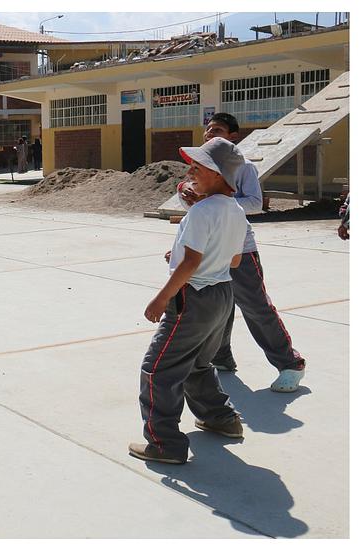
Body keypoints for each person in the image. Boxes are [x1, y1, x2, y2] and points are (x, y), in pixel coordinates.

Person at [130, 137, 249, 465]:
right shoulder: (236, 211)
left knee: (158, 370)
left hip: (192, 297)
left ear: (217, 174)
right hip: (222, 296)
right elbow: (234, 261)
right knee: (197, 362)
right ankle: (220, 418)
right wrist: (185, 252)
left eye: (199, 166)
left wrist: (160, 299)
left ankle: (164, 443)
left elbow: (191, 264)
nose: (190, 171)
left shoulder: (201, 212)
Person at [179, 112, 306, 393]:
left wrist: (211, 197)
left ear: (232, 137)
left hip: (238, 248)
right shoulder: (199, 167)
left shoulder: (244, 167)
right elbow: (193, 204)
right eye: (208, 130)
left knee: (255, 307)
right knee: (217, 306)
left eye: (218, 130)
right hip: (208, 247)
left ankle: (290, 363)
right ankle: (221, 357)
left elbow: (254, 203)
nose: (210, 134)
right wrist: (189, 197)